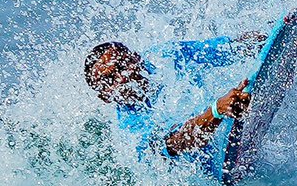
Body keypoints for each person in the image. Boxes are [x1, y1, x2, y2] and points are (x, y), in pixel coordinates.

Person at [83, 31, 266, 167]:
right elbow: (177, 142)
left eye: (122, 66)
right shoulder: (131, 129)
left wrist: (265, 42)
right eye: (110, 80)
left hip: (221, 120)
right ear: (105, 97)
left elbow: (226, 48)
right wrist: (217, 111)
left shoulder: (169, 56)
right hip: (204, 176)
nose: (121, 78)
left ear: (135, 58)